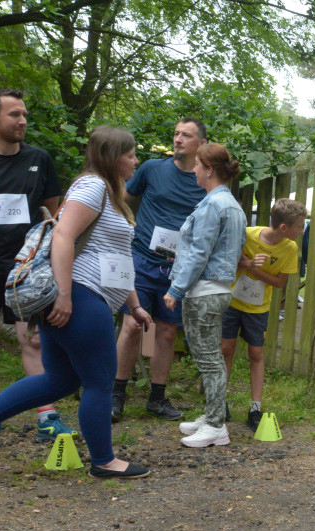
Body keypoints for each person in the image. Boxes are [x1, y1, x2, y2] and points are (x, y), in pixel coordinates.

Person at [0, 126, 153, 477]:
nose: (135, 160)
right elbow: (63, 237)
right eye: (130, 154)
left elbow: (117, 255)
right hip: (82, 296)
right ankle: (104, 461)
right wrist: (65, 295)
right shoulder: (92, 186)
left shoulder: (112, 193)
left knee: (60, 381)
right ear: (113, 157)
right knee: (99, 381)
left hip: (87, 296)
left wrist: (134, 304)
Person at [0, 88, 77, 441]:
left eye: (24, 114)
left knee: (32, 340)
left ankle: (47, 415)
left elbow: (53, 213)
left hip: (26, 266)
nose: (23, 121)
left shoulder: (39, 159)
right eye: (15, 114)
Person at [113, 117, 207, 422]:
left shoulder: (206, 182)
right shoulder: (152, 168)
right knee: (131, 326)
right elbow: (122, 200)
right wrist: (125, 231)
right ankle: (116, 396)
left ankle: (157, 398)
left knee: (166, 332)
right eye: (176, 134)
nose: (178, 139)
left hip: (177, 270)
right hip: (140, 259)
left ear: (201, 144)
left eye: (186, 135)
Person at [164, 143, 246, 447]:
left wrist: (176, 288)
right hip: (217, 288)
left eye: (198, 165)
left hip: (204, 290)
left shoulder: (214, 205)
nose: (194, 170)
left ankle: (215, 425)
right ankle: (212, 415)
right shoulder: (230, 204)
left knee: (209, 360)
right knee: (209, 357)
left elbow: (200, 252)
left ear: (209, 170)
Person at [221, 198, 305, 431]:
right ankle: (220, 402)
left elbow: (280, 283)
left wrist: (256, 270)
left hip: (258, 308)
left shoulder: (290, 247)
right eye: (299, 226)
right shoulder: (247, 234)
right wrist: (246, 265)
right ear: (283, 228)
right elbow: (226, 262)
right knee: (225, 350)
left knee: (256, 353)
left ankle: (255, 409)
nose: (302, 230)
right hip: (231, 302)